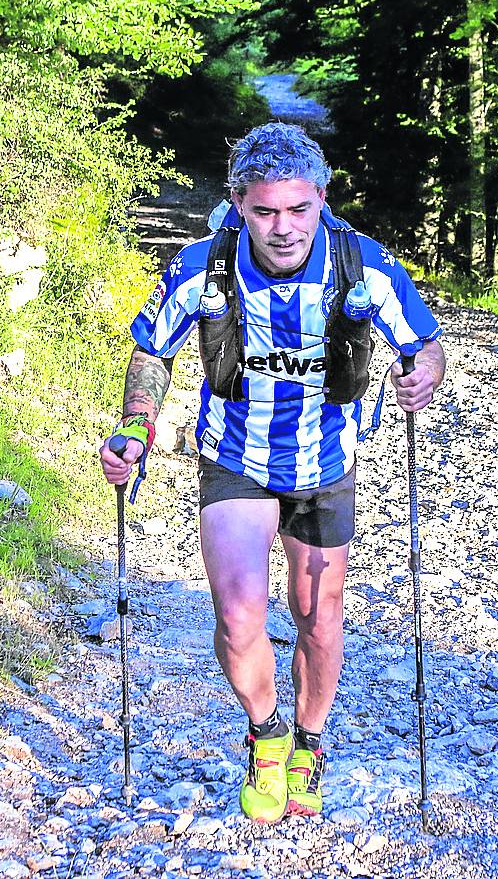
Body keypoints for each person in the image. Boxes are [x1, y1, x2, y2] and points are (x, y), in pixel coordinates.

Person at [100, 122, 445, 823]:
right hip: (234, 455)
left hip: (324, 462)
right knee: (236, 615)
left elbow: (423, 343)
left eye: (297, 209)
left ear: (320, 196)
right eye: (263, 211)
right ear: (237, 202)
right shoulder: (203, 264)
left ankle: (309, 745)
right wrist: (136, 425)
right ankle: (265, 733)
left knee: (317, 618)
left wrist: (421, 379)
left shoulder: (364, 264)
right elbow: (151, 351)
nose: (282, 227)